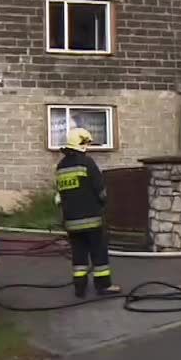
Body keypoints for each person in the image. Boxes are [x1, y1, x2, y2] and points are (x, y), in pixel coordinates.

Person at [56, 127, 121, 298]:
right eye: (87, 143)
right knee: (98, 252)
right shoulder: (87, 163)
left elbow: (60, 195)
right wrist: (104, 204)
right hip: (91, 219)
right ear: (82, 143)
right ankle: (103, 286)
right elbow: (101, 191)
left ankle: (80, 288)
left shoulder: (61, 167)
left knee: (78, 255)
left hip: (71, 221)